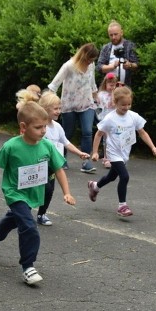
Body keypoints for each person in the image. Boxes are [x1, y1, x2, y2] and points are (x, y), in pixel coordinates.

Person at [0, 96, 74, 286]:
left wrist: (67, 192)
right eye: (38, 127)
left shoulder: (47, 146)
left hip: (33, 194)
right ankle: (28, 266)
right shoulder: (11, 146)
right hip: (14, 193)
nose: (43, 131)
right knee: (28, 226)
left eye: (45, 127)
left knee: (14, 219)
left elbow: (58, 169)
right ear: (23, 127)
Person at [88, 86, 156, 217]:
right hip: (113, 153)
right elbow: (99, 134)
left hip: (124, 153)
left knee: (111, 176)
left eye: (129, 104)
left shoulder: (133, 117)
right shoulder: (110, 118)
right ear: (115, 103)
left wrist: (153, 147)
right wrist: (95, 152)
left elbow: (142, 132)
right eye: (123, 105)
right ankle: (122, 206)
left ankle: (95, 186)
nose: (126, 107)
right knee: (124, 176)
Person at [37, 89, 90, 225]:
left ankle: (41, 214)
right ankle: (20, 212)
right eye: (55, 108)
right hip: (38, 165)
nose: (58, 111)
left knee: (49, 191)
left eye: (60, 108)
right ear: (44, 109)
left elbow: (65, 142)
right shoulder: (39, 127)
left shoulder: (58, 127)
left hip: (52, 167)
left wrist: (79, 153)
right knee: (33, 190)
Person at [47, 43, 99, 173]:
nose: (90, 63)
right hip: (68, 105)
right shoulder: (69, 66)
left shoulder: (91, 66)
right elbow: (54, 85)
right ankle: (61, 158)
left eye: (92, 60)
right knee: (66, 133)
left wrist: (96, 98)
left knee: (87, 131)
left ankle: (86, 162)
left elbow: (92, 83)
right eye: (88, 60)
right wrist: (52, 102)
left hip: (87, 103)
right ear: (83, 56)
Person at [97, 20, 139, 86]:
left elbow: (136, 65)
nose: (113, 37)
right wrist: (112, 66)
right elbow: (99, 67)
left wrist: (130, 65)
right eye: (111, 35)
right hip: (109, 89)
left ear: (121, 33)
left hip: (125, 87)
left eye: (115, 34)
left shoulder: (130, 46)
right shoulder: (106, 48)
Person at [95, 72, 118, 168]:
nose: (112, 87)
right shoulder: (101, 94)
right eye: (110, 85)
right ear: (105, 84)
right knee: (106, 140)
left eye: (114, 85)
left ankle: (114, 158)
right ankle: (106, 158)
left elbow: (114, 104)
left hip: (115, 120)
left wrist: (113, 92)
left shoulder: (116, 95)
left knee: (115, 139)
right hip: (105, 120)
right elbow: (98, 107)